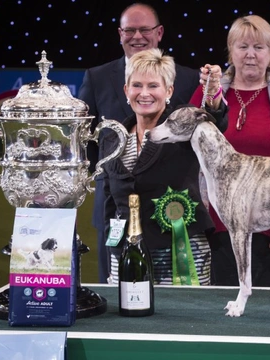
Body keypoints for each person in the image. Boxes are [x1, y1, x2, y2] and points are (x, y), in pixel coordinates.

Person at [190, 14, 270, 287]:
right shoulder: (206, 95)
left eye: (259, 47)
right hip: (220, 223)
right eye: (243, 47)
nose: (251, 55)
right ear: (231, 51)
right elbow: (189, 152)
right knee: (226, 302)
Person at [77, 3, 200, 283]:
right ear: (120, 34)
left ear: (159, 33)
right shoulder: (96, 77)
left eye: (144, 30)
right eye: (129, 30)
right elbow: (87, 139)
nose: (137, 36)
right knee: (118, 293)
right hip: (115, 211)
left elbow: (207, 125)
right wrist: (108, 176)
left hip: (173, 215)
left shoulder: (188, 78)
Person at [100, 48, 227, 285]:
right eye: (136, 85)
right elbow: (110, 204)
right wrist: (113, 247)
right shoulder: (112, 139)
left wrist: (213, 93)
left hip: (182, 255)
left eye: (153, 86)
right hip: (127, 255)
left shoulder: (182, 127)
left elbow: (214, 118)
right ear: (126, 91)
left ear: (168, 91)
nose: (144, 93)